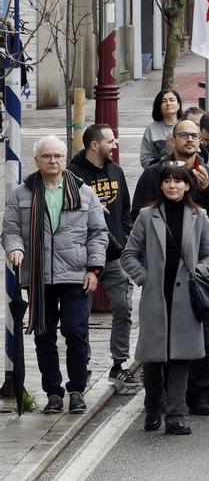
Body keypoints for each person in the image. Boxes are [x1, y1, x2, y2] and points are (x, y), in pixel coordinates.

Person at [3, 136, 108, 415]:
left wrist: (94, 269)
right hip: (38, 277)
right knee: (44, 335)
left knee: (76, 332)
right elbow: (11, 230)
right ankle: (52, 391)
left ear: (65, 159)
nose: (53, 161)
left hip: (76, 275)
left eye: (58, 156)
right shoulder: (22, 194)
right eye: (47, 156)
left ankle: (76, 389)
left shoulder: (84, 192)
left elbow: (98, 233)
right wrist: (15, 249)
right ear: (36, 160)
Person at [120, 164, 209, 434]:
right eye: (167, 181)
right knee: (153, 359)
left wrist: (197, 271)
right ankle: (153, 409)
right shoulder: (146, 215)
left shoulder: (199, 216)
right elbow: (129, 254)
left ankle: (176, 415)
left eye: (178, 181)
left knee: (180, 358)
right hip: (155, 295)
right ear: (160, 185)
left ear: (188, 186)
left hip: (186, 296)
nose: (172, 186)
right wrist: (144, 277)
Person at [67, 124, 137, 392]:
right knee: (79, 316)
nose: (115, 144)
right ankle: (80, 366)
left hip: (114, 255)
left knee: (124, 307)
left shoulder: (116, 170)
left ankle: (119, 364)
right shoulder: (72, 175)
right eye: (110, 140)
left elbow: (125, 209)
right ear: (94, 145)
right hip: (82, 259)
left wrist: (124, 236)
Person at [141, 88, 182, 168]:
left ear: (178, 105)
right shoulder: (151, 130)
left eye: (172, 100)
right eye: (164, 101)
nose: (168, 103)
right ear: (159, 106)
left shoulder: (186, 126)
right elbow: (145, 159)